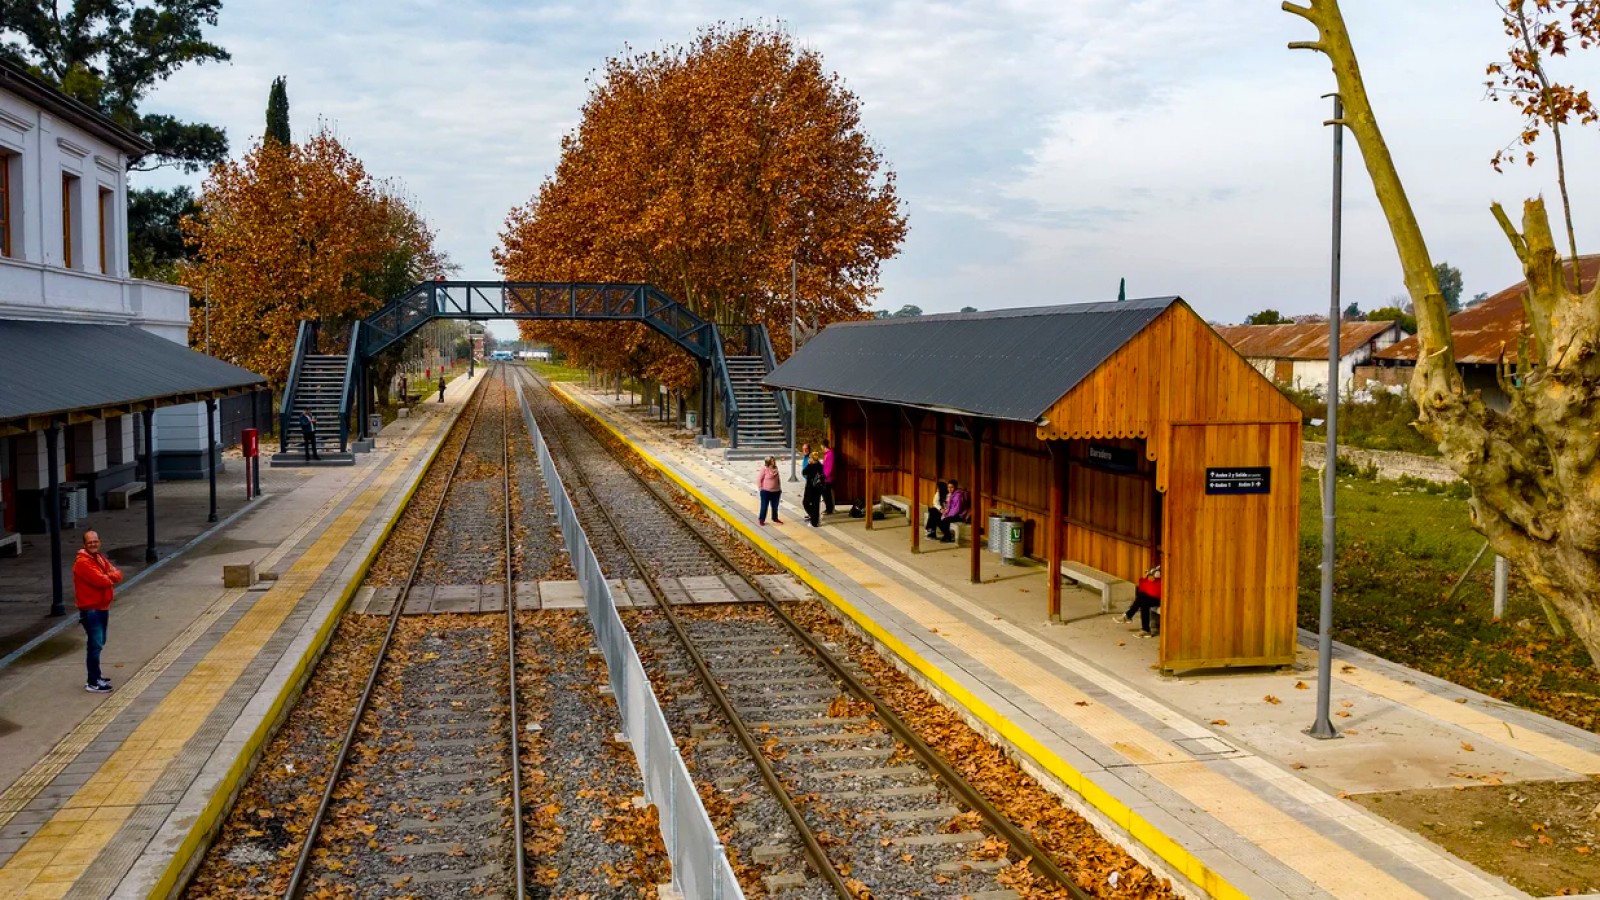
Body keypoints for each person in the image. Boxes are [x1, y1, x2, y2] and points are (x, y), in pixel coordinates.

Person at [74, 530, 123, 693]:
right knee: (95, 645)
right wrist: (109, 576)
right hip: (91, 609)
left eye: (95, 541)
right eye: (90, 542)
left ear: (99, 542)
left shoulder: (99, 558)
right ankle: (93, 681)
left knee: (99, 642)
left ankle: (96, 676)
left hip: (101, 606)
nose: (93, 544)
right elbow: (101, 581)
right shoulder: (83, 562)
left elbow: (118, 574)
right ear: (84, 545)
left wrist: (109, 576)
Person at [1122, 563, 1162, 636]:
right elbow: (1152, 573)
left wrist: (1152, 574)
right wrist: (1150, 574)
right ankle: (1129, 616)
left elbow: (1156, 574)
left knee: (1144, 601)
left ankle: (1129, 616)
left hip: (1164, 597)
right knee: (1142, 597)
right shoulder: (1160, 566)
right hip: (1157, 594)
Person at [937, 478, 969, 543]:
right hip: (953, 514)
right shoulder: (952, 494)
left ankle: (947, 536)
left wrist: (948, 515)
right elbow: (950, 506)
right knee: (939, 520)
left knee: (944, 521)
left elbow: (956, 509)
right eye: (948, 487)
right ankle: (947, 536)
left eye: (952, 487)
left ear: (955, 487)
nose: (949, 489)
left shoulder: (958, 496)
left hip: (959, 515)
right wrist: (946, 512)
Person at [801, 451, 826, 527]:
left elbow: (803, 472)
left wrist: (808, 464)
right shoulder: (820, 466)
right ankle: (815, 520)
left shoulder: (811, 466)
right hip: (818, 488)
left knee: (806, 503)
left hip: (810, 488)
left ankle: (814, 518)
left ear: (811, 458)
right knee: (816, 504)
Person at [757, 456, 783, 525]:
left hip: (776, 491)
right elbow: (760, 479)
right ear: (768, 462)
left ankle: (775, 518)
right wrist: (761, 488)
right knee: (764, 506)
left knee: (775, 507)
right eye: (772, 461)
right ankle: (761, 519)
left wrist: (779, 488)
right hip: (766, 491)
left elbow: (778, 479)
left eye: (774, 461)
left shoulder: (776, 468)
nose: (774, 462)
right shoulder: (764, 469)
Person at [820, 440, 837, 515]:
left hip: (828, 478)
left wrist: (825, 475)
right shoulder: (826, 454)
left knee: (827, 494)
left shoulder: (830, 454)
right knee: (825, 493)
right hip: (826, 477)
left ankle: (829, 509)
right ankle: (828, 508)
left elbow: (830, 467)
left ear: (823, 446)